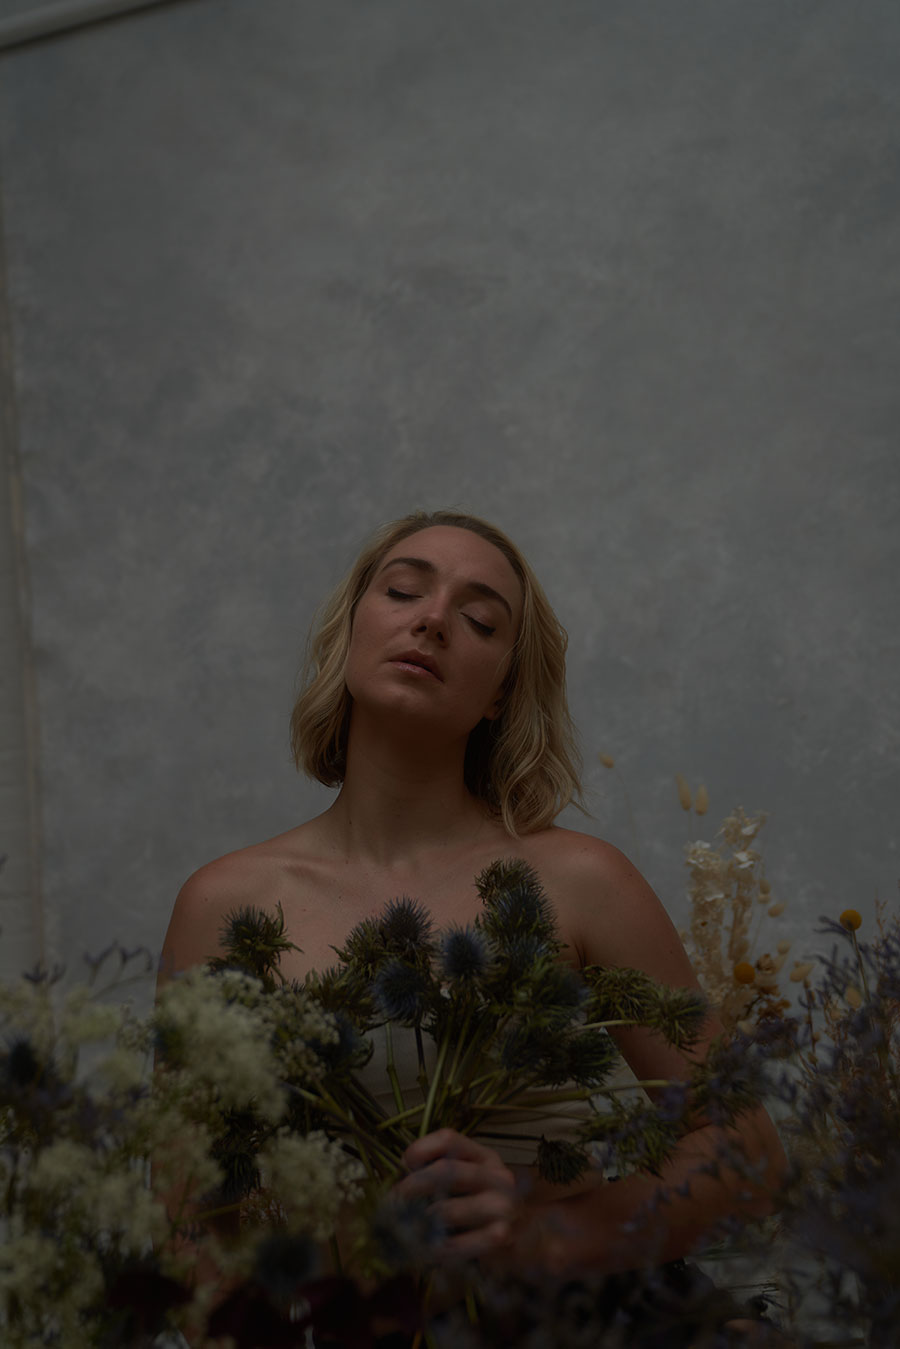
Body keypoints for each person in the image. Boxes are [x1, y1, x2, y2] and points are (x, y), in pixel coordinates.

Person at [160, 509, 785, 1325]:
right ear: (350, 631)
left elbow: (752, 1152)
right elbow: (187, 1219)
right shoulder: (223, 904)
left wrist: (552, 1235)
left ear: (499, 694)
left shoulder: (579, 881)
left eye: (480, 618)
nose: (432, 619)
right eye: (403, 590)